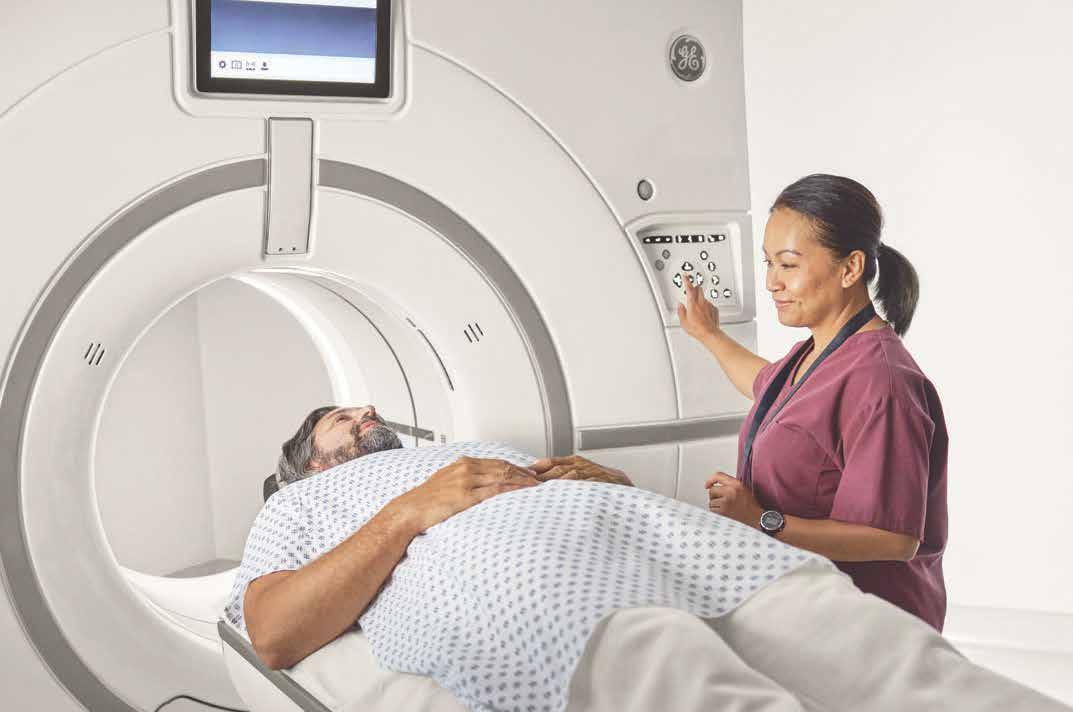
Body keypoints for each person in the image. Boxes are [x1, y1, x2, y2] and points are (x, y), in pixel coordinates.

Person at [225, 405, 1069, 712]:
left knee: (882, 653)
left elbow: (598, 496)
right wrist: (410, 510)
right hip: (541, 582)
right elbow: (274, 630)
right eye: (341, 417)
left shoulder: (465, 445)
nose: (367, 413)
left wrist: (603, 479)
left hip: (683, 549)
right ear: (308, 460)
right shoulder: (302, 505)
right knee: (673, 668)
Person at [672, 173, 949, 630]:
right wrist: (708, 334)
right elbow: (765, 387)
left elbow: (894, 539)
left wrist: (761, 519)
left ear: (850, 268)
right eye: (768, 263)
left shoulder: (883, 382)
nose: (772, 282)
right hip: (805, 608)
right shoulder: (817, 353)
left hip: (870, 627)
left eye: (788, 265)